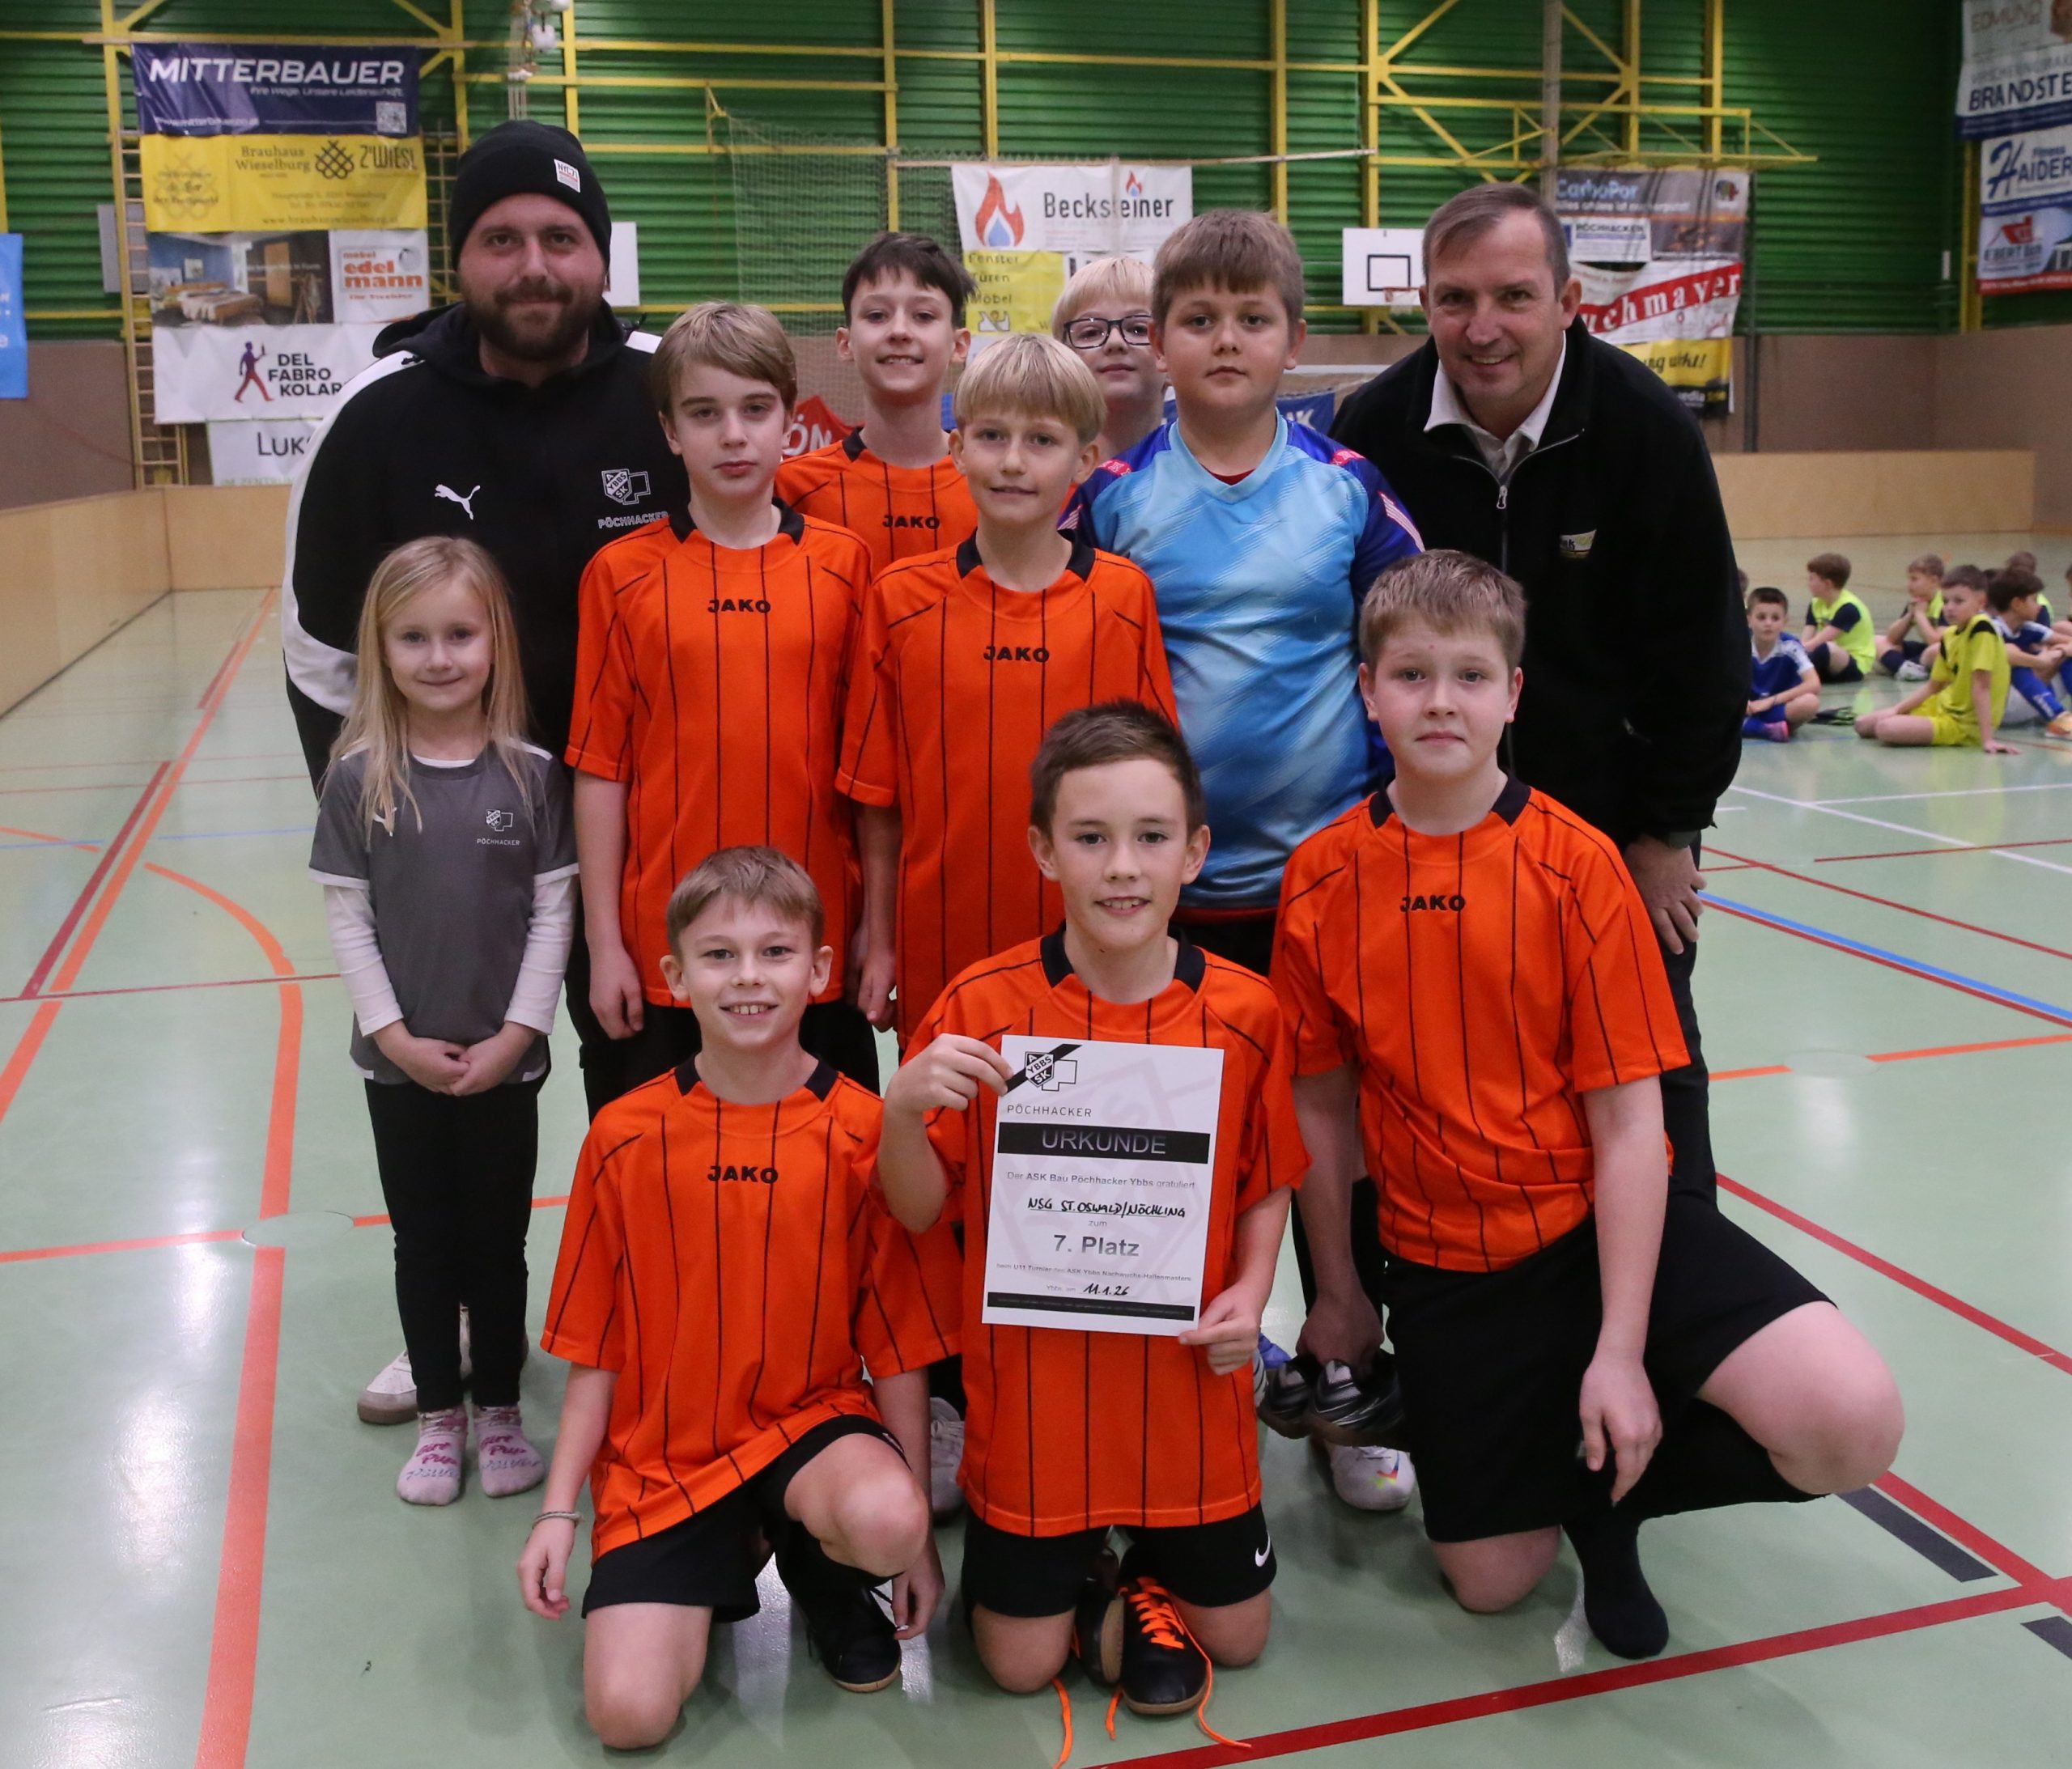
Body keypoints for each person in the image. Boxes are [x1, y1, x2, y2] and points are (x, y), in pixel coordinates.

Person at [1274, 549, 1904, 1660]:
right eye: (1411, 674)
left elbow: (1628, 1126)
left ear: (1514, 694)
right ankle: (1547, 1461)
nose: (1440, 701)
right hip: (1447, 1265)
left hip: (1596, 1229)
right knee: (1490, 1583)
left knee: (1850, 1420)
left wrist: (1619, 1346)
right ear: (1368, 691)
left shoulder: (1578, 867)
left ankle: (1617, 1493)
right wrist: (1338, 1293)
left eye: (1471, 675)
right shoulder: (1321, 879)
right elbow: (1319, 1109)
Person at [286, 121, 687, 1422]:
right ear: (459, 257)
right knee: (448, 1108)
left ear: (600, 254)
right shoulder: (380, 410)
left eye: (561, 238)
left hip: (640, 844)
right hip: (452, 853)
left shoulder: (667, 388)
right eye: (501, 239)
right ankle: (450, 1323)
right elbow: (319, 645)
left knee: (647, 1096)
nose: (535, 265)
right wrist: (392, 825)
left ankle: (661, 1325)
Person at [1070, 214, 1422, 1506]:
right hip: (1170, 900)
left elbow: (1406, 655)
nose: (1226, 340)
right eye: (1200, 319)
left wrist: (1387, 821)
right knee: (1182, 1147)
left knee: (1336, 1139)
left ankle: (1348, 1366)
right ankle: (1192, 1381)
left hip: (1325, 890)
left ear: (1294, 338)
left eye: (1252, 318)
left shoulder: (1348, 489)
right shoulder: (1114, 497)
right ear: (1159, 343)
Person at [877, 704, 1304, 1728]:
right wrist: (900, 1109)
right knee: (1017, 1667)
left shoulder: (1246, 1012)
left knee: (1240, 1637)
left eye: (1151, 836)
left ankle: (1141, 1569)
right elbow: (917, 1205)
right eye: (1090, 836)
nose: (1122, 866)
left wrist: (1250, 1291)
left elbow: (1266, 1178)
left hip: (1185, 1397)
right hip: (1038, 1407)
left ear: (1194, 851)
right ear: (1042, 849)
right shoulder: (981, 1008)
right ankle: (1102, 1576)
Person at [1330, 182, 1744, 1230]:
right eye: (1455, 298)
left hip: (1612, 835)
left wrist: (1665, 832)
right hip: (1430, 837)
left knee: (1647, 1074)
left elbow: (1703, 651)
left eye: (1513, 296)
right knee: (1419, 1078)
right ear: (1423, 303)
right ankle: (1403, 1311)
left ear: (1567, 300)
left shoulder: (1646, 428)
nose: (1482, 328)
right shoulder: (1374, 429)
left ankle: (1670, 1285)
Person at [518, 848, 956, 1746]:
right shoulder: (623, 1135)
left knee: (883, 1518)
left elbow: (899, 1345)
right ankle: (727, 1550)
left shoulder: (863, 1132)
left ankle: (822, 1569)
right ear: (676, 976)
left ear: (819, 971)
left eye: (775, 952)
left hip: (810, 1426)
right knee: (629, 1716)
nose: (748, 976)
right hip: (666, 1459)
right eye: (719, 955)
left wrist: (915, 1536)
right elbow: (595, 1348)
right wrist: (558, 1510)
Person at [308, 536, 574, 1505]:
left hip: (506, 1063)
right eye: (413, 637)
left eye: (460, 633)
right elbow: (349, 918)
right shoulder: (358, 776)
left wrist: (517, 1034)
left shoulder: (533, 775)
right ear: (380, 648)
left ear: (495, 639)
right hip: (401, 1068)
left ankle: (499, 1409)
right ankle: (438, 1416)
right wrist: (394, 1037)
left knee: (498, 1239)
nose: (438, 657)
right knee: (422, 1241)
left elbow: (552, 913)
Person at [566, 302, 879, 1102]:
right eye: (705, 414)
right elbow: (600, 771)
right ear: (670, 431)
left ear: (788, 421)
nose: (733, 435)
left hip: (813, 942)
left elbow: (870, 778)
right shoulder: (619, 574)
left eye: (754, 409)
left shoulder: (846, 567)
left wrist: (878, 927)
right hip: (668, 946)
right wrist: (604, 942)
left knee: (828, 1167)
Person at [843, 332, 1175, 1047]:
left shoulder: (1124, 600)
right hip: (942, 945)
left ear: (1085, 460)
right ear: (957, 449)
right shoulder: (900, 601)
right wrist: (881, 936)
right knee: (953, 1115)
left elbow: (1157, 799)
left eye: (1042, 440)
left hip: (1095, 948)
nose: (1015, 461)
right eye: (993, 436)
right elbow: (878, 803)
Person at [776, 232, 980, 575]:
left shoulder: (994, 484)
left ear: (959, 346)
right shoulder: (792, 488)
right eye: (876, 315)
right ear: (845, 344)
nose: (899, 331)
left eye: (924, 316)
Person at [1856, 565, 2015, 752]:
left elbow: (1982, 686)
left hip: (1963, 723)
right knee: (1862, 724)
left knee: (1886, 728)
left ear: (1981, 602)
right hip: (1940, 707)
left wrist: (1987, 739)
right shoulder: (1950, 635)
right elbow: (1934, 686)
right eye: (1946, 601)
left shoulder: (1982, 629)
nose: (1949, 608)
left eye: (1959, 601)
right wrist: (1897, 709)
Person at [1052, 255, 1167, 458]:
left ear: (1170, 354)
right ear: (1063, 359)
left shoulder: (1204, 470)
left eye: (1138, 329)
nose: (1115, 342)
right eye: (1091, 332)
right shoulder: (1037, 472)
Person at [1985, 567, 2072, 735]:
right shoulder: (1990, 627)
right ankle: (2059, 719)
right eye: (2034, 600)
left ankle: (2060, 717)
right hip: (1997, 705)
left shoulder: (2030, 628)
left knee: (2067, 657)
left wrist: (2064, 650)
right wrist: (2040, 661)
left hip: (2023, 700)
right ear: (2017, 604)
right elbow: (2006, 653)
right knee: (2016, 664)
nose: (2039, 606)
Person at [1743, 586, 1822, 740]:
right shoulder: (1739, 643)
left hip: (1775, 707)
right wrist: (1739, 701)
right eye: (1761, 617)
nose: (1768, 623)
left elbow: (1814, 684)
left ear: (1785, 621)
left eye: (1775, 618)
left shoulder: (1791, 646)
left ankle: (1750, 726)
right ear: (1749, 619)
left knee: (1810, 703)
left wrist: (1771, 701)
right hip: (1745, 708)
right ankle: (1766, 729)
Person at [1800, 552, 1875, 683]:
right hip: (1827, 660)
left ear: (1827, 584)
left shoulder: (1849, 608)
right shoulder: (1816, 603)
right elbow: (1806, 639)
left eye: (1812, 579)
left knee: (1825, 649)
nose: (1808, 583)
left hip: (1853, 663)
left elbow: (1815, 643)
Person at [1878, 553, 1945, 679]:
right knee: (1877, 641)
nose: (1909, 584)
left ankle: (1904, 668)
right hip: (1925, 651)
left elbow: (1937, 642)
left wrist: (1919, 615)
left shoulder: (1946, 602)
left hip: (1945, 652)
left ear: (1933, 581)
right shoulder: (1917, 601)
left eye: (1914, 579)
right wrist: (1910, 614)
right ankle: (1907, 668)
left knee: (1936, 650)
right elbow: (1892, 638)